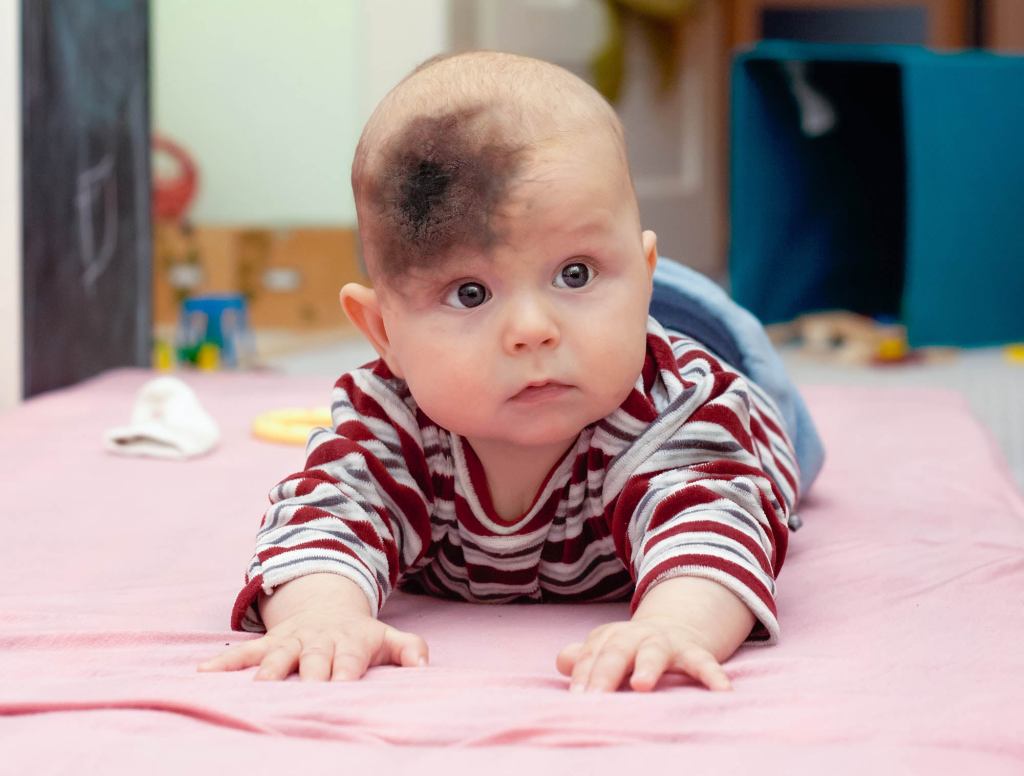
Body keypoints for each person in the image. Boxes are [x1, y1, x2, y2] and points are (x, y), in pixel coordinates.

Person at [198, 51, 816, 694]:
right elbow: (322, 518)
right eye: (470, 292)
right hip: (604, 326)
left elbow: (714, 523)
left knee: (765, 412)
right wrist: (322, 616)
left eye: (575, 272)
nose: (531, 329)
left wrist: (674, 625)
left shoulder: (675, 407)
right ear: (383, 332)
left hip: (737, 399)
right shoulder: (388, 415)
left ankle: (685, 309)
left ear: (643, 273)